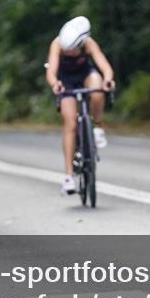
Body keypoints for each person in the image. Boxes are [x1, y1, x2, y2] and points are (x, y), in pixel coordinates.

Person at [46, 16, 116, 196]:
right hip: (65, 81)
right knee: (70, 124)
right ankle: (69, 177)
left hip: (86, 75)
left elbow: (105, 67)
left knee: (97, 90)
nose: (67, 52)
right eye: (66, 49)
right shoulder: (57, 44)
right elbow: (51, 72)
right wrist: (55, 84)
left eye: (71, 49)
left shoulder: (89, 44)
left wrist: (108, 80)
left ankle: (97, 126)